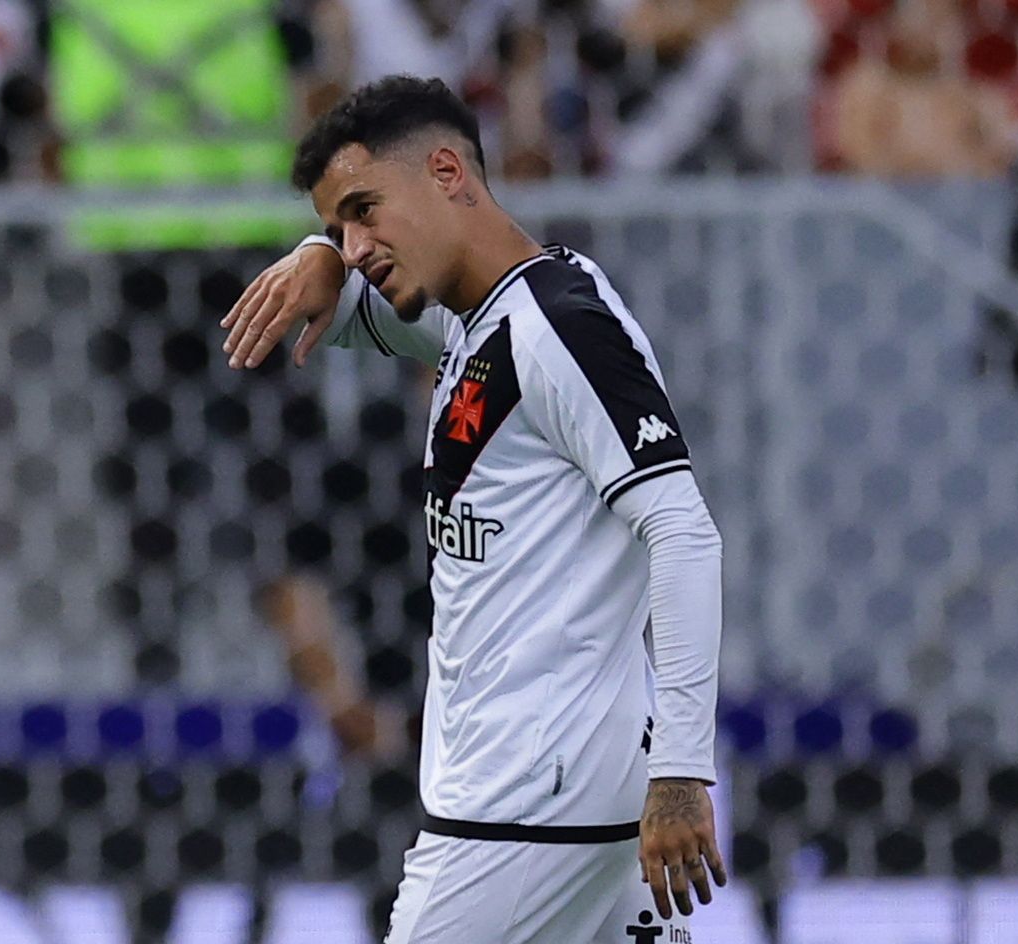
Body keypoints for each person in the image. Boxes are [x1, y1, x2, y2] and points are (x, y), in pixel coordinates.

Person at [220, 75, 725, 943]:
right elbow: (373, 318)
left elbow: (682, 530)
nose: (355, 243)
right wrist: (320, 260)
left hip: (522, 808)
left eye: (364, 209)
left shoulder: (555, 327)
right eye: (340, 224)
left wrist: (683, 771)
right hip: (577, 800)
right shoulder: (478, 322)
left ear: (447, 171)